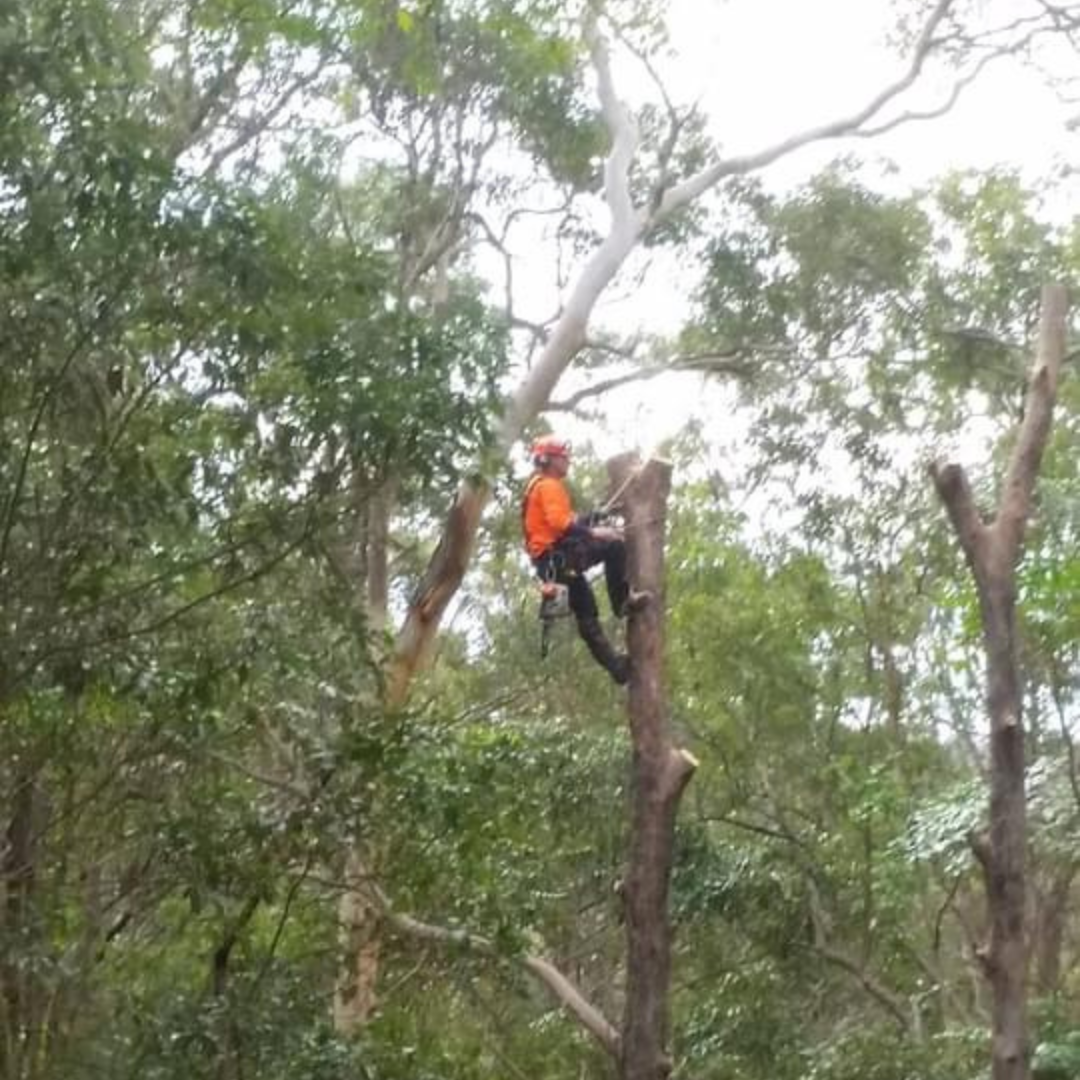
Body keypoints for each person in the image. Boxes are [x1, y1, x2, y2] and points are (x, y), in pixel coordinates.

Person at [521, 435, 638, 685]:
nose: (568, 460)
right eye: (563, 456)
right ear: (550, 460)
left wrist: (593, 517)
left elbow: (565, 521)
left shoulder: (538, 485)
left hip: (551, 561)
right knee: (614, 545)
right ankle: (622, 602)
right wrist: (597, 531)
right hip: (558, 557)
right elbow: (560, 524)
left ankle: (618, 668)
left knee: (587, 612)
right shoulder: (548, 485)